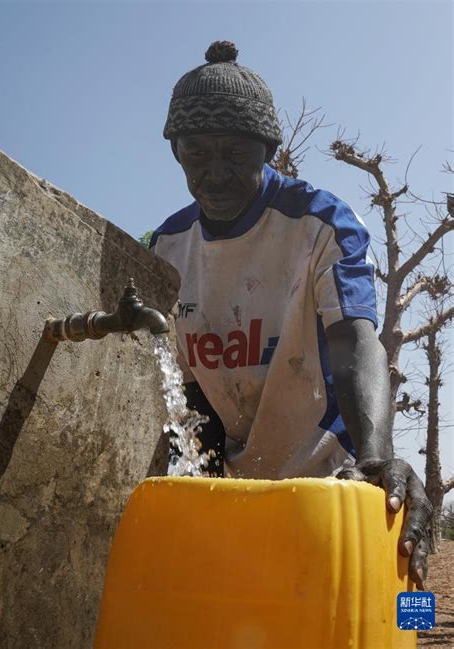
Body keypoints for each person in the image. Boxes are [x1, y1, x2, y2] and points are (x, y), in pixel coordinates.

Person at [150, 40, 432, 588]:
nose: (216, 173)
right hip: (239, 483)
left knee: (382, 601)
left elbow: (354, 344)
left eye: (234, 153)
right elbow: (191, 396)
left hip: (334, 477)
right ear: (176, 153)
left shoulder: (319, 224)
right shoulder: (168, 247)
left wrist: (375, 459)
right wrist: (205, 499)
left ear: (268, 149)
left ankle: (414, 629)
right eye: (197, 154)